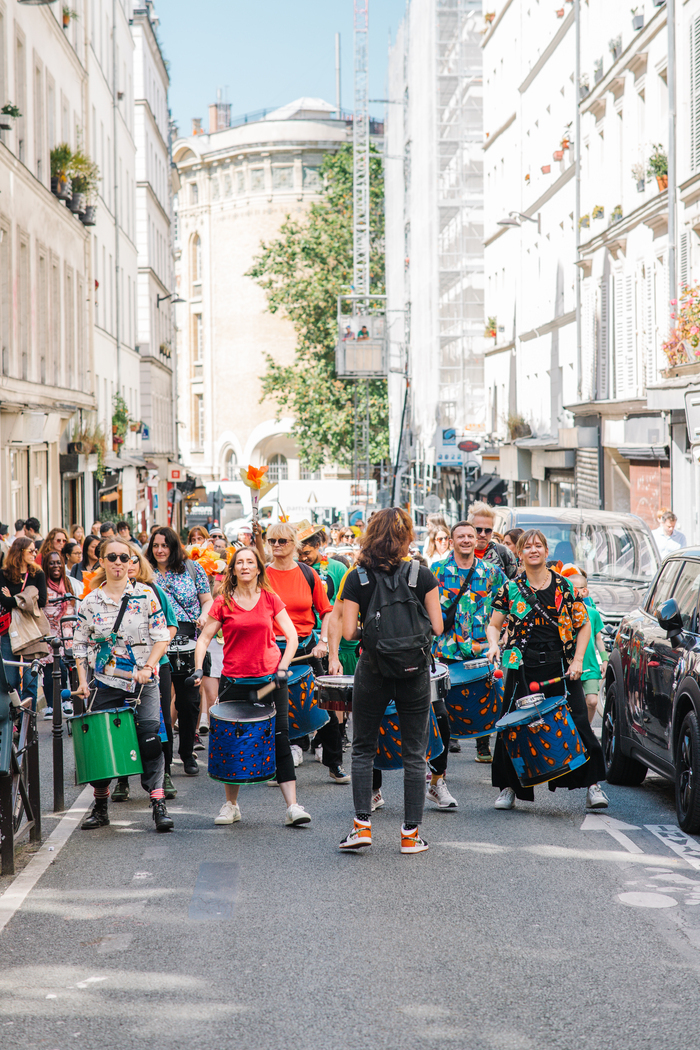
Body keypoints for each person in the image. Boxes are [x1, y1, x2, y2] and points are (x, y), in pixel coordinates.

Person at [338, 508, 444, 854]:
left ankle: (362, 826)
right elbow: (438, 627)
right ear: (406, 536)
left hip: (373, 669)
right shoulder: (422, 575)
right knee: (415, 754)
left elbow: (351, 632)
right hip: (414, 671)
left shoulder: (358, 578)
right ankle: (411, 835)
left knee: (363, 748)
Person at [485, 529, 608, 812]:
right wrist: (493, 644)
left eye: (538, 545)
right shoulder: (511, 588)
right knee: (512, 727)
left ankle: (592, 786)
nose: (533, 550)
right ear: (520, 553)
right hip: (521, 668)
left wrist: (578, 660)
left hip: (560, 667)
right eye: (527, 547)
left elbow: (584, 624)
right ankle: (508, 788)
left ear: (546, 551)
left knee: (578, 722)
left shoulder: (565, 587)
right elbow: (494, 624)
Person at [193, 546, 312, 828]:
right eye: (240, 562)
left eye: (250, 562)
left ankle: (293, 807)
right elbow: (203, 639)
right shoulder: (222, 602)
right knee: (231, 743)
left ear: (259, 568)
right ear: (233, 570)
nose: (245, 566)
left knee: (280, 737)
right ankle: (231, 805)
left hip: (270, 681)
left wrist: (283, 668)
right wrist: (199, 668)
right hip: (234, 681)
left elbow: (292, 637)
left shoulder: (270, 598)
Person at [73, 537, 174, 832]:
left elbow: (161, 637)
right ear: (102, 562)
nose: (119, 563)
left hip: (144, 684)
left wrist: (149, 666)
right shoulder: (90, 602)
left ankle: (157, 804)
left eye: (125, 558)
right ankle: (101, 807)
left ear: (132, 562)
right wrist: (83, 683)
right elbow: (80, 646)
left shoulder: (145, 595)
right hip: (106, 683)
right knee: (102, 745)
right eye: (112, 557)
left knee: (150, 742)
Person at [430, 522, 506, 808]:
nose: (465, 540)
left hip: (480, 657)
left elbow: (506, 606)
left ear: (478, 541)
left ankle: (507, 785)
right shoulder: (436, 572)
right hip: (443, 656)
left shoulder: (492, 574)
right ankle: (437, 780)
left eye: (470, 536)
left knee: (495, 717)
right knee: (440, 724)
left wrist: (502, 635)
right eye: (460, 536)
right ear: (451, 541)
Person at [265, 522, 349, 783]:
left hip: (305, 647)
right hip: (272, 648)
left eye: (283, 541)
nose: (277, 546)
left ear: (294, 545)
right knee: (273, 710)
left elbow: (327, 612)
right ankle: (273, 765)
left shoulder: (308, 574)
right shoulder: (262, 575)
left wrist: (323, 642)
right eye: (272, 541)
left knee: (326, 704)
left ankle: (334, 763)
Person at [109, 546, 179, 802]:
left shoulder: (154, 592)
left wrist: (153, 655)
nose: (126, 565)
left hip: (155, 666)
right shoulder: (104, 594)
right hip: (119, 670)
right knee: (120, 723)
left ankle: (165, 774)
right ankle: (122, 779)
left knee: (158, 723)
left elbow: (170, 627)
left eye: (131, 560)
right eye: (118, 559)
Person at [145, 526, 213, 775]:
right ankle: (164, 758)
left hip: (189, 639)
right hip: (156, 640)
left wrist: (205, 615)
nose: (160, 550)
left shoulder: (193, 568)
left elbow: (207, 600)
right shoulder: (145, 573)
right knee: (160, 702)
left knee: (189, 702)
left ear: (174, 547)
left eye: (165, 545)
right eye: (155, 546)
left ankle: (187, 753)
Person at [468, 500, 518, 761]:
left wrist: (509, 626)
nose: (482, 535)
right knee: (466, 683)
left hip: (495, 630)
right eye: (478, 529)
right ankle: (456, 732)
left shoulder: (502, 554)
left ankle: (483, 742)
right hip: (464, 632)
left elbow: (516, 589)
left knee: (492, 684)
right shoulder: (456, 552)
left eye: (488, 530)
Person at [0, 537, 46, 710]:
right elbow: (3, 602)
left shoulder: (37, 573)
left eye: (35, 550)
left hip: (31, 630)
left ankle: (29, 721)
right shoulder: (3, 573)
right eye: (31, 551)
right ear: (19, 552)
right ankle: (16, 717)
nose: (35, 554)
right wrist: (27, 597)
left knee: (30, 680)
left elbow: (41, 601)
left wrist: (14, 599)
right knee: (10, 680)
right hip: (9, 631)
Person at [561, 565, 608, 725]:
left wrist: (604, 660)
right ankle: (576, 733)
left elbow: (598, 639)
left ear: (585, 591)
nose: (574, 593)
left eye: (577, 590)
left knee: (592, 701)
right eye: (570, 590)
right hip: (569, 665)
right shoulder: (562, 613)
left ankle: (585, 730)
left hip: (590, 665)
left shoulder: (593, 613)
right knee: (569, 703)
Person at [40, 550, 81, 719]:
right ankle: (50, 705)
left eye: (58, 563)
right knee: (49, 671)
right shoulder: (42, 585)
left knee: (65, 669)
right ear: (46, 566)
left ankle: (66, 701)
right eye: (51, 563)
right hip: (48, 634)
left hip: (67, 634)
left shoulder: (70, 584)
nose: (55, 566)